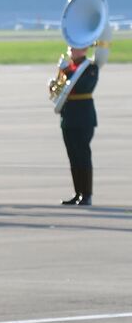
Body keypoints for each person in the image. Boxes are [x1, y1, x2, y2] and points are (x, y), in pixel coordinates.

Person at [54, 45, 98, 205]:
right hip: (68, 116)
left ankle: (86, 194)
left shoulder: (90, 67)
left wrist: (66, 72)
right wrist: (54, 84)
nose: (73, 51)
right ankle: (78, 192)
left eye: (77, 49)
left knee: (82, 155)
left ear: (85, 50)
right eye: (71, 48)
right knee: (73, 156)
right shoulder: (68, 66)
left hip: (83, 117)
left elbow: (82, 86)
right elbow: (58, 91)